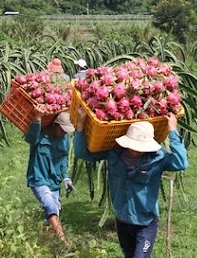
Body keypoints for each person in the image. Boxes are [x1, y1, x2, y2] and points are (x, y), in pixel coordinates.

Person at [73, 108, 188, 258]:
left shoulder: (157, 159)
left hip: (146, 223)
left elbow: (181, 163)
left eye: (140, 148)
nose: (135, 151)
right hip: (122, 220)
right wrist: (80, 125)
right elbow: (83, 153)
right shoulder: (113, 153)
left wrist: (172, 130)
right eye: (132, 146)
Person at [25, 104, 75, 243]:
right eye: (63, 130)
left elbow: (63, 157)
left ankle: (43, 241)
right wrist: (37, 119)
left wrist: (66, 177)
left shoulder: (64, 139)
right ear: (55, 125)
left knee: (53, 214)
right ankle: (64, 242)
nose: (65, 133)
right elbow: (30, 139)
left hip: (54, 181)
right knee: (49, 206)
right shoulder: (40, 134)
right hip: (38, 178)